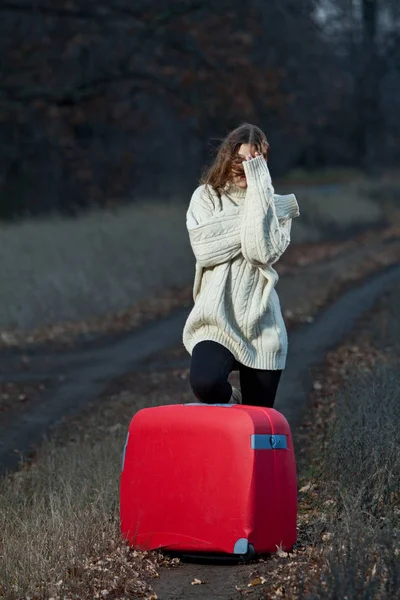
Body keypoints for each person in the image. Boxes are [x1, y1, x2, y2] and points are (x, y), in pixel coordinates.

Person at [182, 123, 300, 407]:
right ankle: (231, 402)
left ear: (262, 163)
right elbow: (205, 249)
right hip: (215, 319)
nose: (243, 167)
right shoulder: (206, 197)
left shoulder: (271, 205)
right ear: (227, 158)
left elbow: (261, 252)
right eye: (239, 159)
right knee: (205, 384)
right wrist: (268, 212)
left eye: (252, 160)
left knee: (258, 420)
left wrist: (262, 194)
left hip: (262, 325)